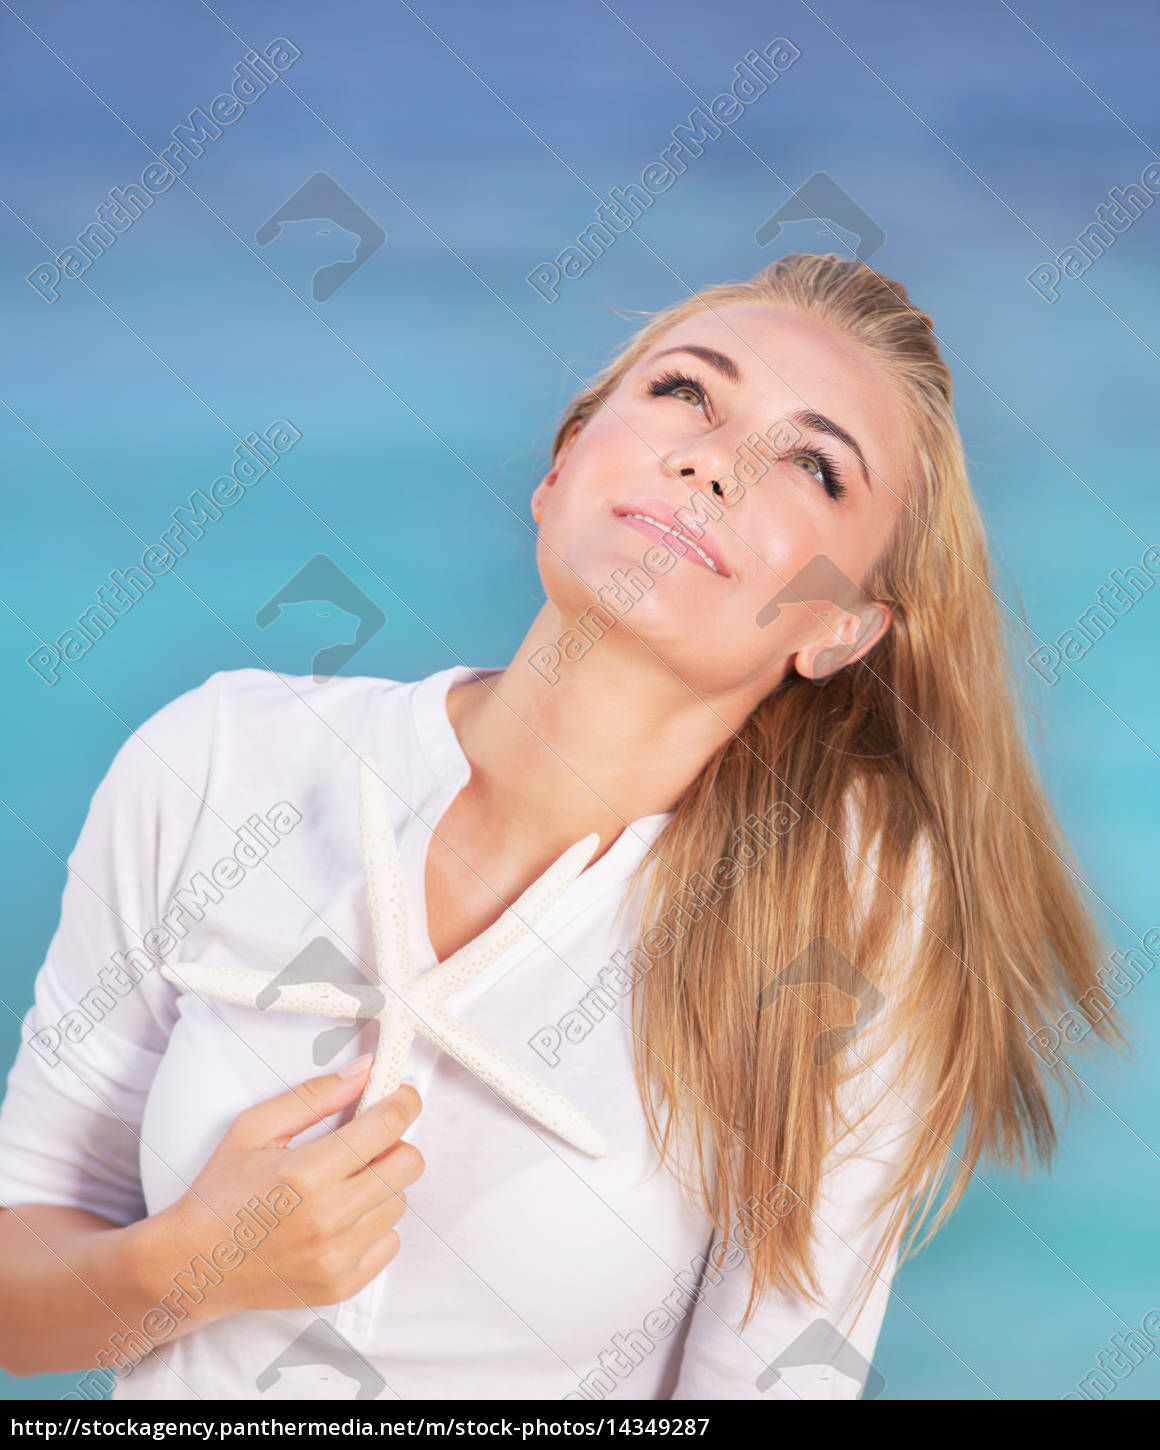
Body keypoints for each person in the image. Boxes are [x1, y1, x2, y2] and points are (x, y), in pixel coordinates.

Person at [0, 253, 1121, 1400]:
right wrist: (182, 1269)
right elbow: (15, 1280)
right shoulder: (219, 758)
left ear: (838, 632)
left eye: (811, 464)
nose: (712, 461)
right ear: (560, 464)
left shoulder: (848, 906)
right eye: (685, 391)